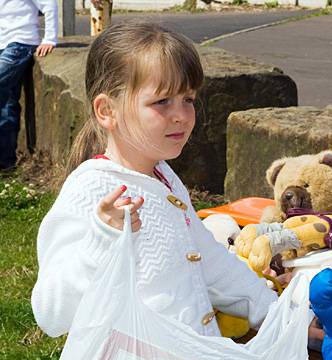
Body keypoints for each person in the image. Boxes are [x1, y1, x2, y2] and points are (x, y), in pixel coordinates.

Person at [31, 22, 278, 338]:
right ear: (107, 110)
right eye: (162, 102)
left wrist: (276, 314)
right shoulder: (90, 189)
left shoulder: (164, 176)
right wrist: (102, 239)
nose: (181, 115)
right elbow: (51, 314)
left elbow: (210, 263)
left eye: (188, 99)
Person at [0, 0, 57, 171]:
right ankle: (6, 164)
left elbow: (49, 4)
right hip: (3, 44)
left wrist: (50, 38)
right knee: (6, 104)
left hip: (20, 43)